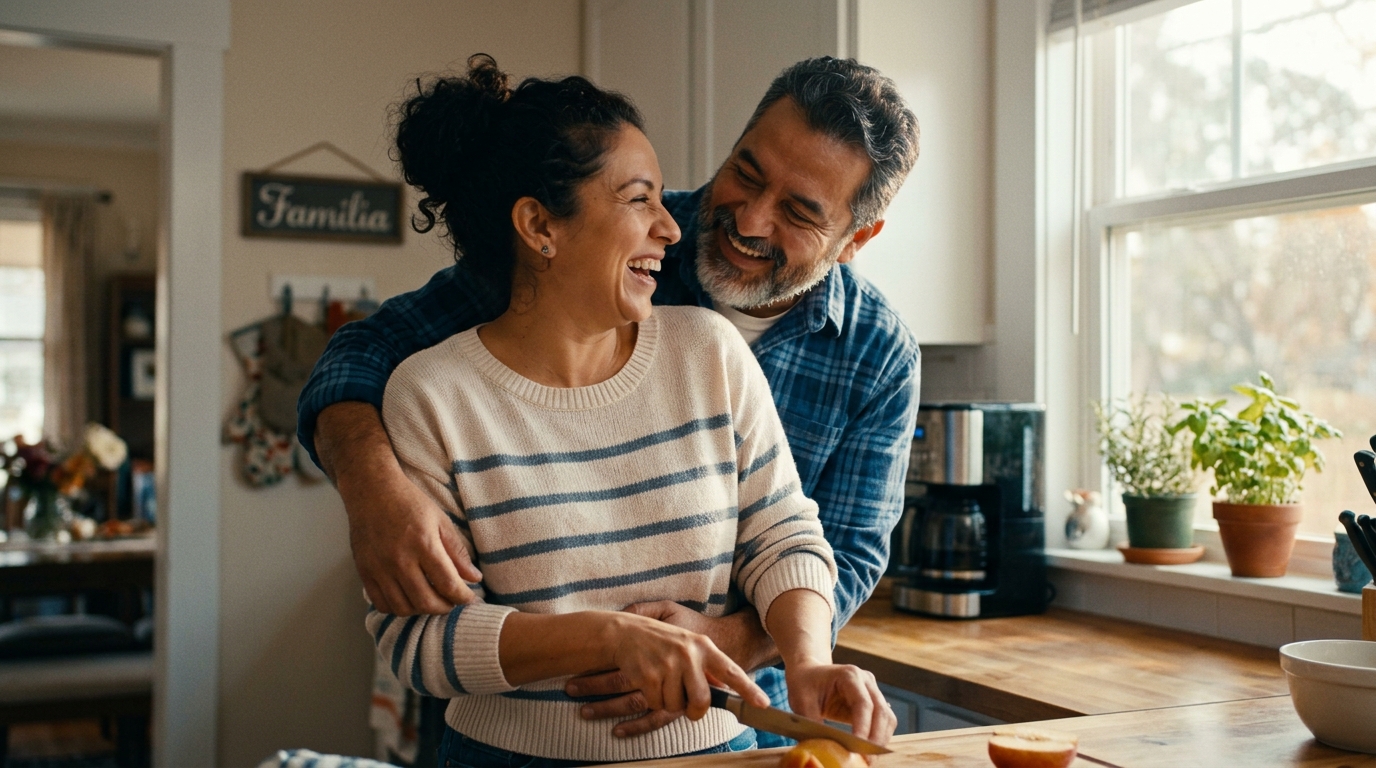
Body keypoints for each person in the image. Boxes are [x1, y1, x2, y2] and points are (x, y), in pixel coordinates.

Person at [301, 56, 921, 748]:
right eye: (745, 172)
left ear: (856, 240)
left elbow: (822, 544)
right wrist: (370, 484)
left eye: (800, 211)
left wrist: (766, 650)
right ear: (540, 230)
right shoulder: (554, 270)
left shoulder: (856, 352)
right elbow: (361, 353)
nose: (743, 218)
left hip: (738, 718)